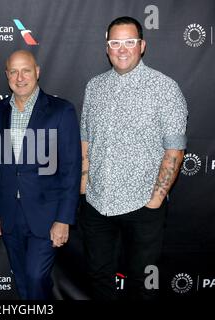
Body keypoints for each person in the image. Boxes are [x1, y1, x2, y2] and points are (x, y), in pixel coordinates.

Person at [79, 16, 188, 300]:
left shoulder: (165, 88)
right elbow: (86, 141)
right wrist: (84, 187)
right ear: (107, 47)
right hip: (96, 203)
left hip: (143, 205)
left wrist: (155, 200)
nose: (122, 49)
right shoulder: (94, 87)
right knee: (99, 277)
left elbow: (174, 150)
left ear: (142, 45)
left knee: (143, 285)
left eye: (129, 42)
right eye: (115, 43)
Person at [0, 50, 81, 300]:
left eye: (26, 70)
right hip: (9, 213)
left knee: (36, 275)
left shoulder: (61, 111)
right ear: (6, 75)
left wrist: (64, 219)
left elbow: (71, 169)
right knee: (23, 278)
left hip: (47, 215)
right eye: (13, 71)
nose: (20, 77)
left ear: (37, 71)